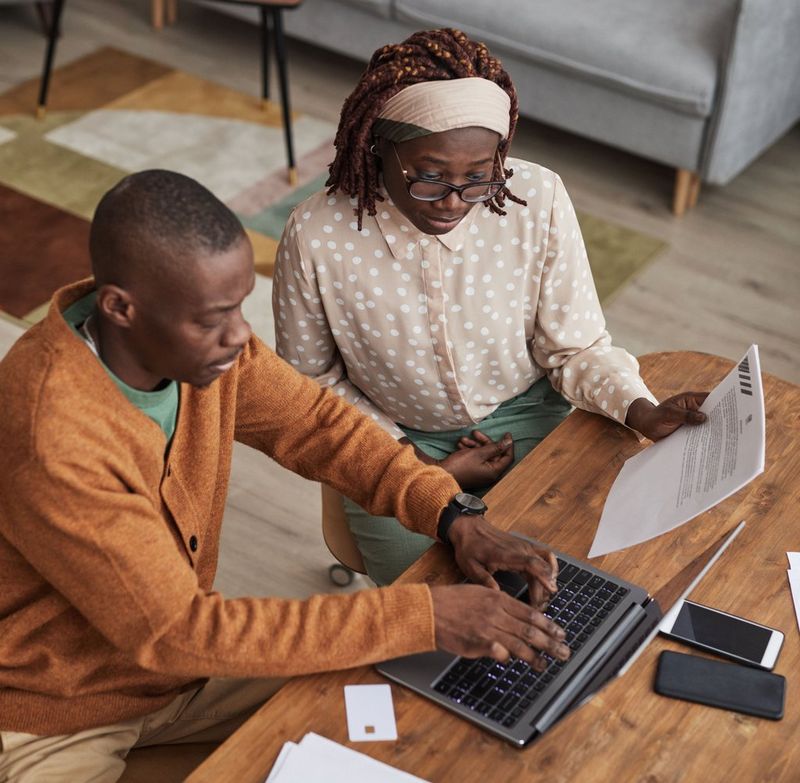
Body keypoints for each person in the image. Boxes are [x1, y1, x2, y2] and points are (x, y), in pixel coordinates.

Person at [0, 170, 570, 782]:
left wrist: (453, 514)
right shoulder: (53, 434)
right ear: (120, 308)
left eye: (241, 304)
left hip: (182, 676)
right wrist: (424, 614)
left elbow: (319, 426)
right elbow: (178, 630)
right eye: (214, 318)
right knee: (403, 644)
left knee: (403, 699)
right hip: (55, 714)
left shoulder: (203, 349)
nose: (240, 335)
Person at [273, 28, 708, 586]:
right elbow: (310, 383)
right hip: (392, 442)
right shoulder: (315, 234)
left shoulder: (537, 198)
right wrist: (416, 466)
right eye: (430, 177)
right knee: (436, 600)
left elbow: (574, 348)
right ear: (380, 147)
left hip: (530, 417)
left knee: (581, 575)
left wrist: (641, 410)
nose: (454, 202)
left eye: (478, 178)